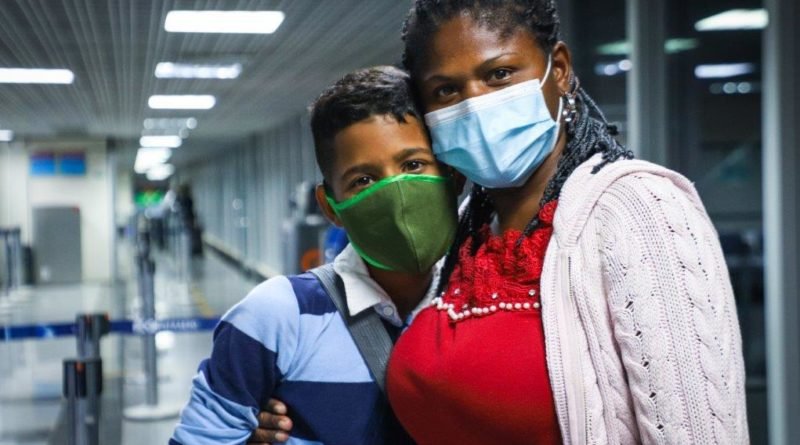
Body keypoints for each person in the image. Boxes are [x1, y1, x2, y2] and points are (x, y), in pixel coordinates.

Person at [383, 1, 749, 444]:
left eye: (499, 74)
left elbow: (697, 430)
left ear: (558, 70)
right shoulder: (466, 231)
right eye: (446, 90)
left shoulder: (637, 208)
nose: (476, 103)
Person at [170, 66, 458, 445]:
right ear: (330, 206)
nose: (397, 194)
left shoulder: (492, 303)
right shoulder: (276, 316)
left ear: (452, 172)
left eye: (413, 165)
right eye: (363, 180)